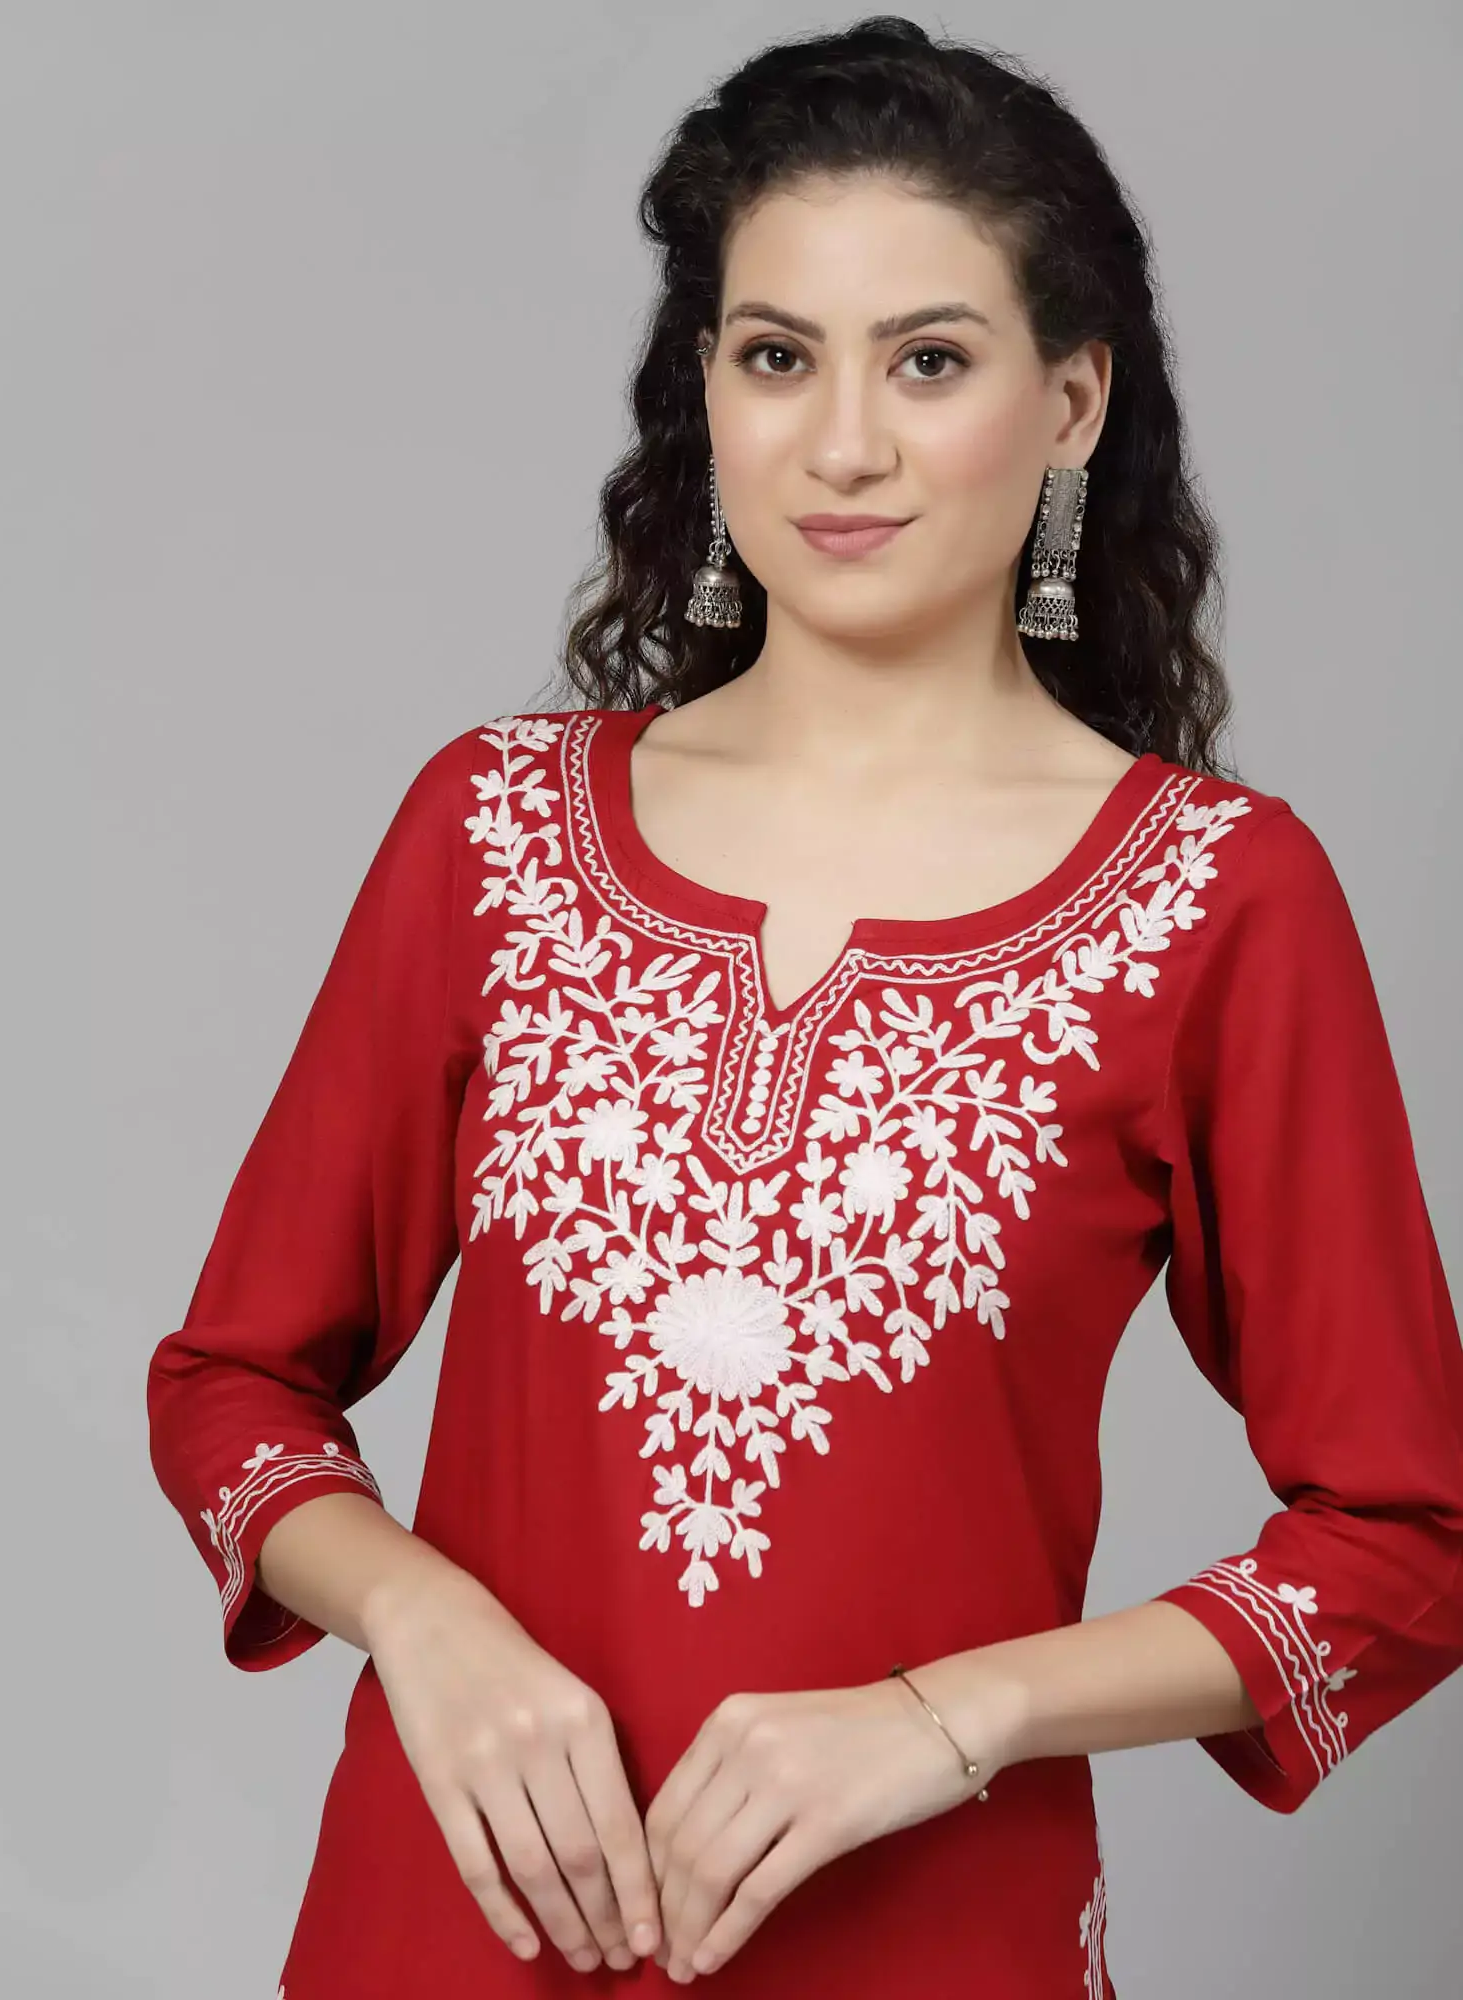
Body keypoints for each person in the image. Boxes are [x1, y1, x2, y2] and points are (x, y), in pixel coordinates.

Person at [146, 17, 1463, 1998]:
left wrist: (957, 1712)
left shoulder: (1215, 900)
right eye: (778, 357)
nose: (843, 444)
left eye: (928, 360)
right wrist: (426, 1618)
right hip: (458, 1929)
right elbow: (230, 1387)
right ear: (708, 387)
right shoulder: (493, 830)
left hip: (931, 1941)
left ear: (1072, 399)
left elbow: (1403, 1536)